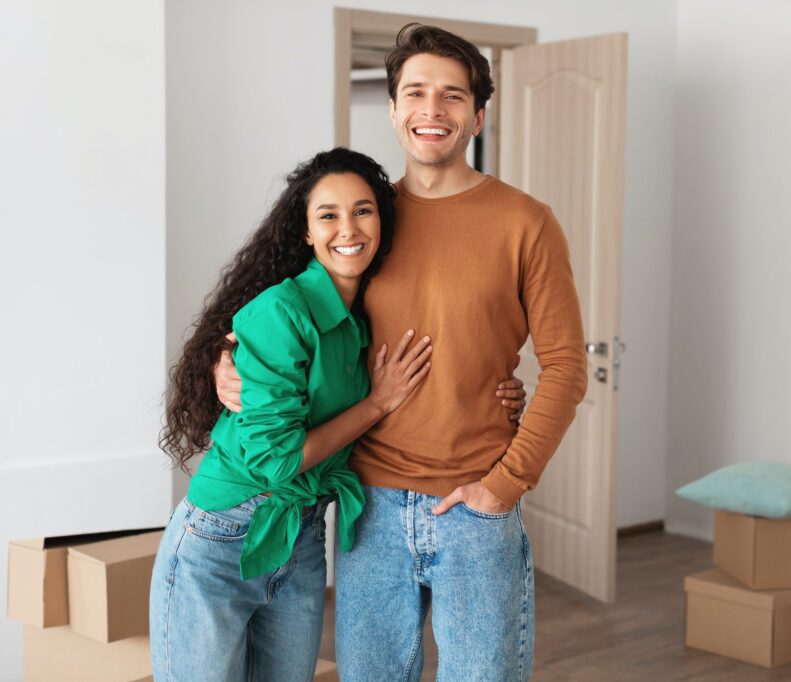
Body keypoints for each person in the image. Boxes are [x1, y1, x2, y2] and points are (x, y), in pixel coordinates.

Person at [216, 23, 587, 681]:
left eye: (451, 95)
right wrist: (229, 366)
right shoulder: (364, 222)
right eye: (415, 92)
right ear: (392, 111)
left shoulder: (526, 222)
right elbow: (289, 318)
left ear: (478, 112)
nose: (432, 110)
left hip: (475, 503)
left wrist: (507, 483)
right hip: (368, 505)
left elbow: (566, 365)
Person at [152, 147, 525, 681]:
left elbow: (456, 349)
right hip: (222, 538)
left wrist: (504, 390)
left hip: (302, 537)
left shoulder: (369, 313)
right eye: (327, 214)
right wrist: (376, 403)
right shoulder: (281, 310)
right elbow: (278, 463)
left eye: (363, 210)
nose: (347, 228)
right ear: (305, 231)